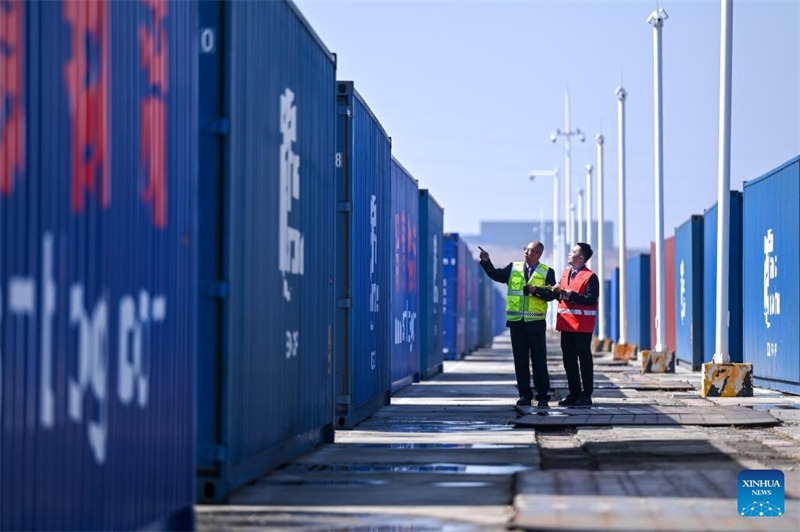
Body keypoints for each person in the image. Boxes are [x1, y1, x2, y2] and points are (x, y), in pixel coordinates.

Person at [479, 242, 557, 407]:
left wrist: (537, 291)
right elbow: (496, 275)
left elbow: (552, 295)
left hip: (535, 323)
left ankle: (543, 396)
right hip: (517, 323)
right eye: (525, 249)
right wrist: (486, 262)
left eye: (530, 251)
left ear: (538, 254)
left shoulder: (547, 272)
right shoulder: (513, 268)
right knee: (520, 361)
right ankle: (524, 395)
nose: (526, 253)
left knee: (539, 361)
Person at [553, 243, 599, 406]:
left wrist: (570, 295)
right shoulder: (566, 273)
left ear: (581, 258)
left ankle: (586, 394)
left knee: (584, 360)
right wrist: (557, 292)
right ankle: (574, 393)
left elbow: (591, 299)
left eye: (572, 252)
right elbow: (562, 296)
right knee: (569, 360)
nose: (569, 254)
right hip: (566, 325)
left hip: (582, 326)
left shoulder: (590, 276)